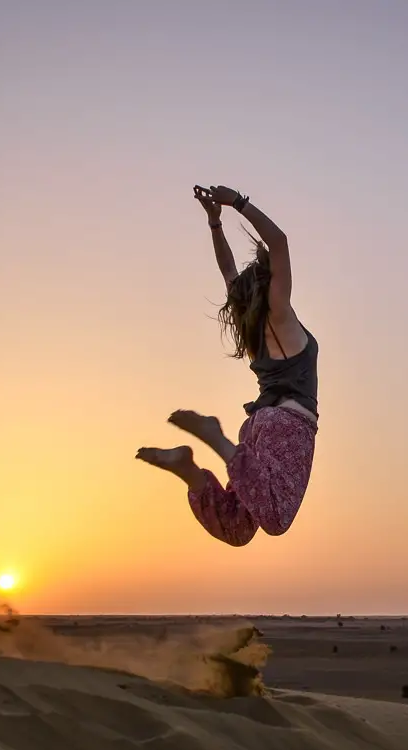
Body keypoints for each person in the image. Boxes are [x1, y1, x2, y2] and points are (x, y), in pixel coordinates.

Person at [136, 184, 319, 547]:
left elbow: (228, 271)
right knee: (276, 518)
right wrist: (237, 201)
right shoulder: (279, 313)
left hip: (257, 427)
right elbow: (279, 242)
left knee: (238, 527)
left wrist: (215, 224)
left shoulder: (251, 324)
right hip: (289, 425)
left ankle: (189, 472)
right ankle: (215, 438)